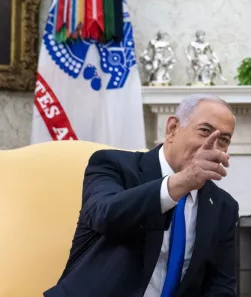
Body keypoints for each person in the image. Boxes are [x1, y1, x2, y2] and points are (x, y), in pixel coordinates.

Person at [44, 94, 239, 297]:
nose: (213, 146)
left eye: (223, 140)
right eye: (205, 131)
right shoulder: (113, 165)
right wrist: (182, 181)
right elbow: (104, 215)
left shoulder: (223, 206)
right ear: (172, 129)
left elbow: (221, 286)